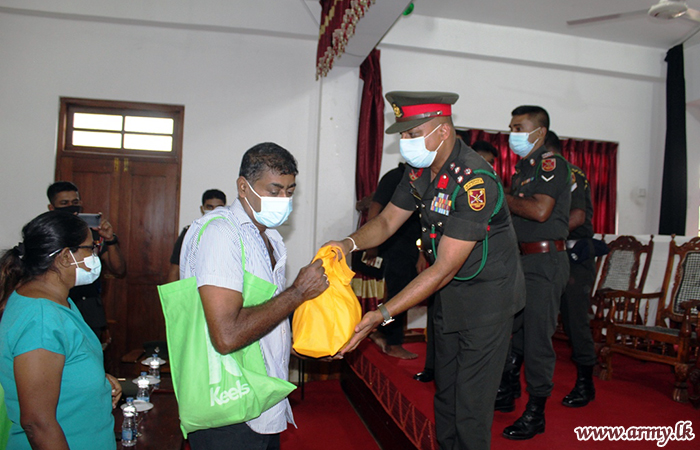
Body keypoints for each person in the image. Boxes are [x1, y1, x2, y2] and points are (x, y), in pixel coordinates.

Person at [331, 91, 525, 450]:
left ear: (443, 131)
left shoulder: (474, 180)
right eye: (402, 135)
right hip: (448, 294)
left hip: (487, 300)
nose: (404, 143)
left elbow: (445, 267)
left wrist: (382, 314)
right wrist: (346, 244)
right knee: (445, 393)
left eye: (411, 134)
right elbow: (388, 220)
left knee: (470, 405)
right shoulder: (420, 170)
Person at [179, 142, 328, 449]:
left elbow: (262, 317)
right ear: (243, 187)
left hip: (261, 399)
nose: (284, 199)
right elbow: (227, 335)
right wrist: (298, 292)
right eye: (274, 190)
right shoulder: (222, 233)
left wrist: (305, 346)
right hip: (228, 409)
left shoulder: (267, 237)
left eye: (290, 191)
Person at [0, 211, 122, 449]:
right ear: (66, 256)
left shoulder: (58, 300)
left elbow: (60, 363)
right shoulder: (42, 319)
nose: (96, 254)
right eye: (90, 247)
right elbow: (37, 423)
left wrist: (95, 379)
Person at [500, 106, 571, 440]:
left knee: (538, 338)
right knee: (512, 328)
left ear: (539, 132)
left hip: (545, 262)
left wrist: (504, 198)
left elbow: (540, 211)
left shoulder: (550, 164)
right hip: (522, 261)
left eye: (519, 127)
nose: (512, 133)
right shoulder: (522, 169)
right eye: (511, 127)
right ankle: (508, 387)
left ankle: (536, 411)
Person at [545, 131, 597, 407]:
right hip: (550, 254)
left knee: (576, 320)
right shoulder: (537, 175)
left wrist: (545, 231)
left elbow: (577, 216)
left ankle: (585, 384)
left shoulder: (570, 173)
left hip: (575, 256)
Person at [46, 181, 126, 338]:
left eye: (75, 202)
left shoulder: (91, 233)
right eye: (64, 203)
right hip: (56, 304)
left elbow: (119, 269)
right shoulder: (47, 234)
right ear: (52, 208)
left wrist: (110, 239)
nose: (71, 207)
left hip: (89, 306)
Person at [364, 163, 420, 360]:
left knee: (401, 295)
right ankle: (393, 344)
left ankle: (380, 330)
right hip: (396, 245)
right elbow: (375, 206)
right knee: (399, 295)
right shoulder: (395, 177)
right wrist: (372, 243)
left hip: (411, 246)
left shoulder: (421, 179)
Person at [166, 189, 227, 283]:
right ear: (202, 209)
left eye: (218, 208)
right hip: (194, 289)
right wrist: (172, 296)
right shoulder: (189, 233)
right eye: (210, 207)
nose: (214, 211)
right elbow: (175, 269)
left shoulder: (231, 234)